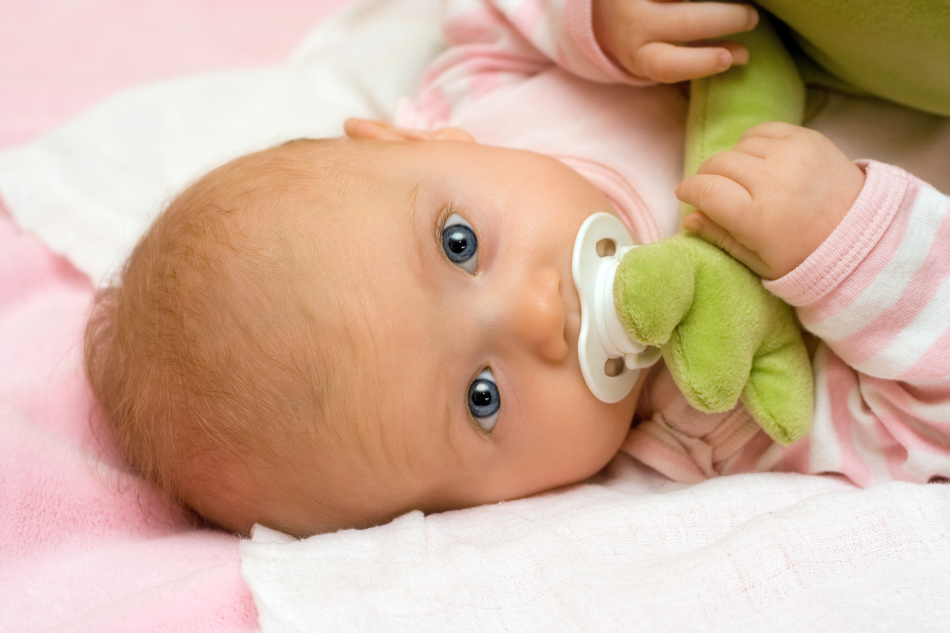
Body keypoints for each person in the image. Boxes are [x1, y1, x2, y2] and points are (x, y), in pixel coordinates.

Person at [83, 0, 950, 537]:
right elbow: (924, 427)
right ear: (487, 508)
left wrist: (602, 25)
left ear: (410, 139)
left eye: (459, 245)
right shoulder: (711, 415)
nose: (540, 315)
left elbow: (493, 15)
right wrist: (851, 245)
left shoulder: (487, 101)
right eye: (482, 397)